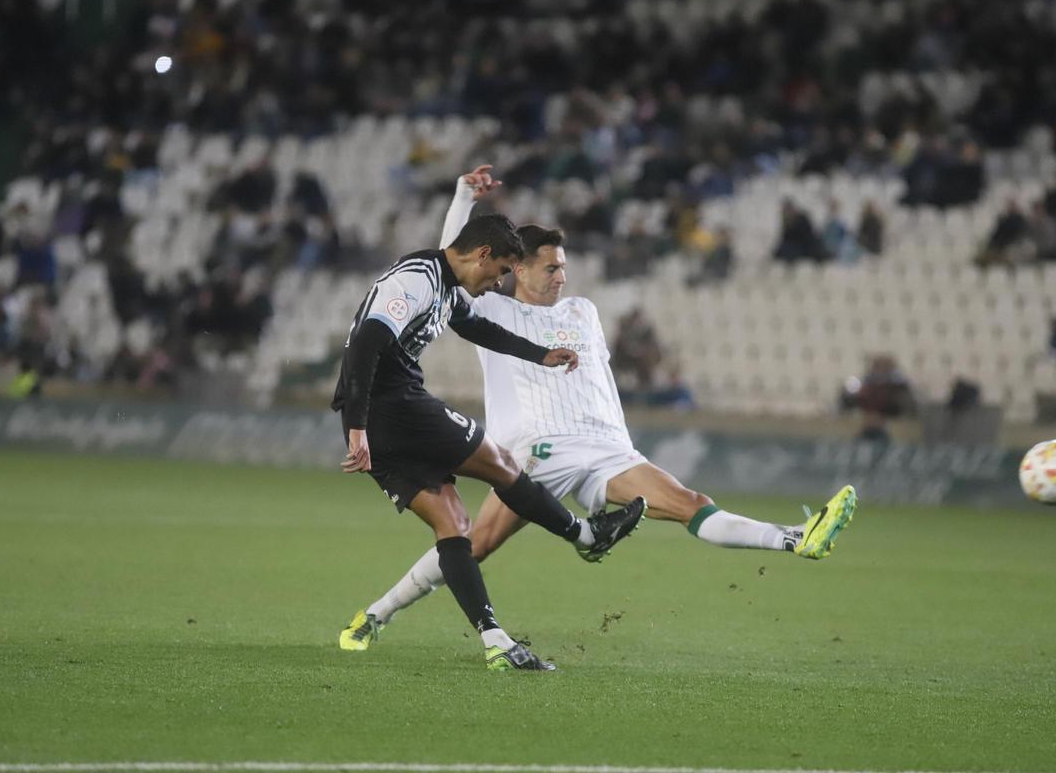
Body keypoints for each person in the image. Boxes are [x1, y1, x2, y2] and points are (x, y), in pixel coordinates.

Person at [339, 169, 858, 652]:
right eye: (549, 268)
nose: (561, 277)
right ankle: (378, 615)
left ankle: (795, 539)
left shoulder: (583, 312)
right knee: (472, 544)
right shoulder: (491, 303)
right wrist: (463, 199)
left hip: (607, 449)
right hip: (538, 451)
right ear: (513, 268)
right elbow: (452, 257)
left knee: (689, 501)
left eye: (564, 267)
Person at [332, 165, 646, 671]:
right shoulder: (415, 280)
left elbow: (479, 329)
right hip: (394, 409)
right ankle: (587, 537)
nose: (497, 282)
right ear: (481, 256)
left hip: (386, 419)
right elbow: (367, 342)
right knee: (502, 463)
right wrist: (358, 426)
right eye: (498, 271)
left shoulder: (445, 283)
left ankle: (495, 641)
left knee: (455, 528)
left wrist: (540, 354)